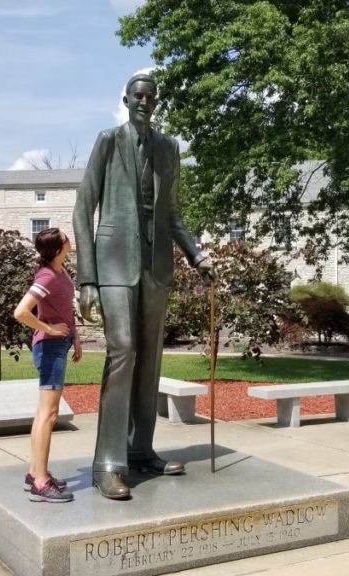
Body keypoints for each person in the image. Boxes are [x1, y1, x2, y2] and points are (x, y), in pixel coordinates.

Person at [74, 72, 215, 500]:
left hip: (155, 269)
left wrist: (197, 255)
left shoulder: (168, 148)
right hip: (114, 264)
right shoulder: (108, 141)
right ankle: (108, 463)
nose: (144, 102)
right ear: (125, 99)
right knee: (123, 350)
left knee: (150, 360)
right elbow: (84, 210)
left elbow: (172, 215)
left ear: (156, 102)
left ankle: (140, 449)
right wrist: (87, 278)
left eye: (150, 97)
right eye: (137, 96)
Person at [13, 228, 82, 503]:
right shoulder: (47, 276)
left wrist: (74, 337)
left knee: (44, 412)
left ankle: (34, 472)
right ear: (57, 249)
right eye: (65, 239)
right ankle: (41, 482)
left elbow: (65, 310)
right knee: (49, 415)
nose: (69, 240)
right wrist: (50, 329)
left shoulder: (61, 271)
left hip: (60, 344)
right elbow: (21, 312)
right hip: (50, 347)